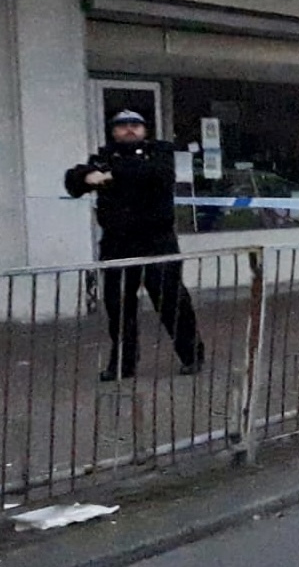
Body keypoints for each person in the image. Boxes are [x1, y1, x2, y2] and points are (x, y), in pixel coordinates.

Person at [65, 110, 205, 381]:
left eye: (135, 125)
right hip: (118, 243)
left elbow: (157, 175)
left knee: (172, 302)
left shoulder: (159, 151)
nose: (129, 130)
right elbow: (73, 181)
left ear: (145, 130)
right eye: (122, 126)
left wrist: (106, 175)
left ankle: (192, 355)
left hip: (157, 241)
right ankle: (123, 364)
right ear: (113, 131)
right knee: (118, 308)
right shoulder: (102, 156)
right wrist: (89, 175)